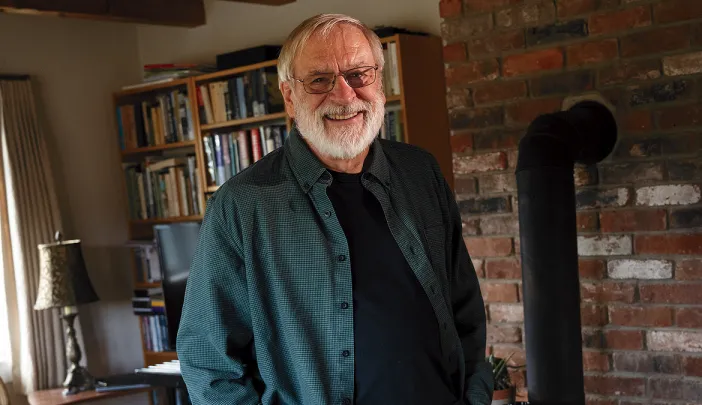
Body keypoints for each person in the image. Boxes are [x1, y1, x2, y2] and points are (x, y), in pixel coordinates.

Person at [177, 13, 493, 405]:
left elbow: (465, 308)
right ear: (290, 96)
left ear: (379, 80)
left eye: (359, 74)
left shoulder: (420, 173)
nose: (345, 96)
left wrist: (475, 396)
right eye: (320, 80)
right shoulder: (243, 205)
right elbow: (208, 363)